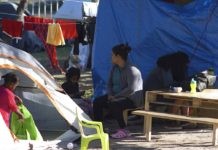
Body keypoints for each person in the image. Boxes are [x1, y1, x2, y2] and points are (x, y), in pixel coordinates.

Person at [93, 43, 143, 139]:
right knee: (97, 102)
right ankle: (98, 128)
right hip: (116, 96)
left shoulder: (132, 70)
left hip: (131, 99)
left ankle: (124, 130)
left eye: (112, 54)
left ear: (118, 56)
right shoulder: (114, 68)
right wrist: (110, 95)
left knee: (114, 104)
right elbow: (109, 84)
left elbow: (131, 89)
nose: (110, 57)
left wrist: (115, 97)